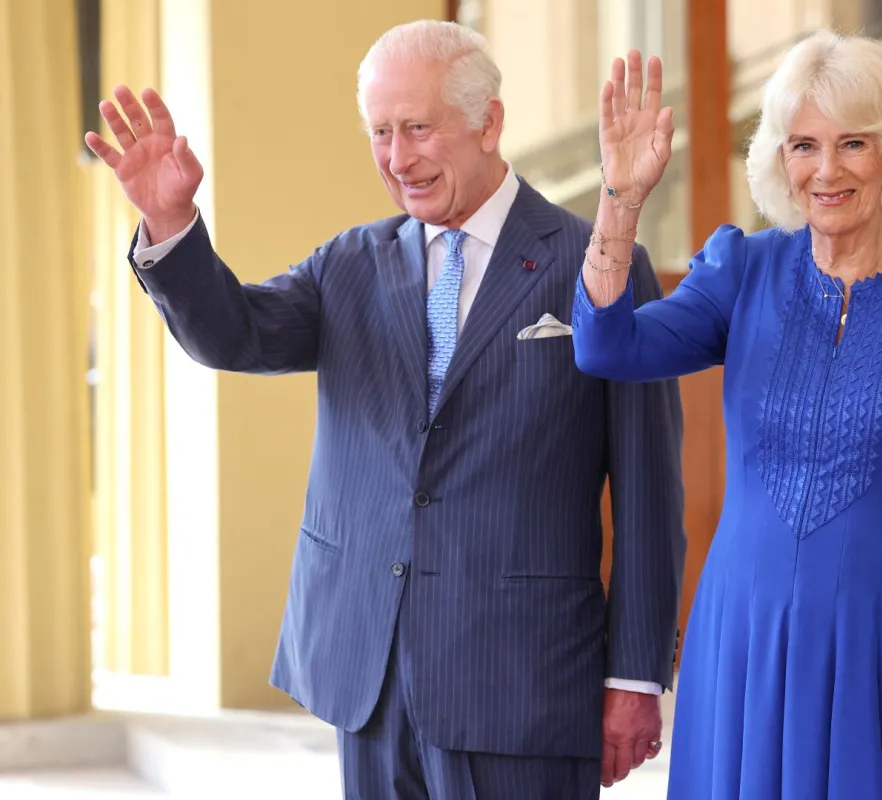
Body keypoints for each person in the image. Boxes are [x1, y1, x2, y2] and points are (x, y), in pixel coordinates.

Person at [84, 19, 686, 800]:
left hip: (521, 683)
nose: (397, 158)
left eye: (417, 129)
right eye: (380, 133)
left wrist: (636, 675)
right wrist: (170, 222)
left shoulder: (600, 263)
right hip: (369, 676)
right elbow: (232, 333)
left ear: (488, 122)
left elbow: (647, 490)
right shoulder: (349, 264)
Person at [573, 30, 882, 799]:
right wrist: (619, 199)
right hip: (748, 637)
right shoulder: (742, 269)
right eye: (803, 145)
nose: (826, 170)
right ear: (779, 160)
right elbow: (607, 346)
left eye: (853, 143)